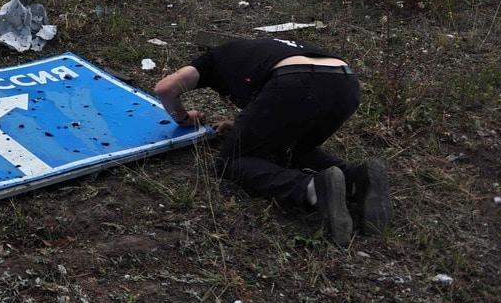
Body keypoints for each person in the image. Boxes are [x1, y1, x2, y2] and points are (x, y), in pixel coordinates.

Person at [153, 37, 390, 245]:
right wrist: (241, 127)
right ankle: (357, 178)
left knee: (232, 161)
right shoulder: (261, 50)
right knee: (290, 147)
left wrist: (184, 118)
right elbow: (275, 112)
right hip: (345, 83)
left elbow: (165, 88)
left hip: (295, 81)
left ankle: (311, 188)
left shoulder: (213, 58)